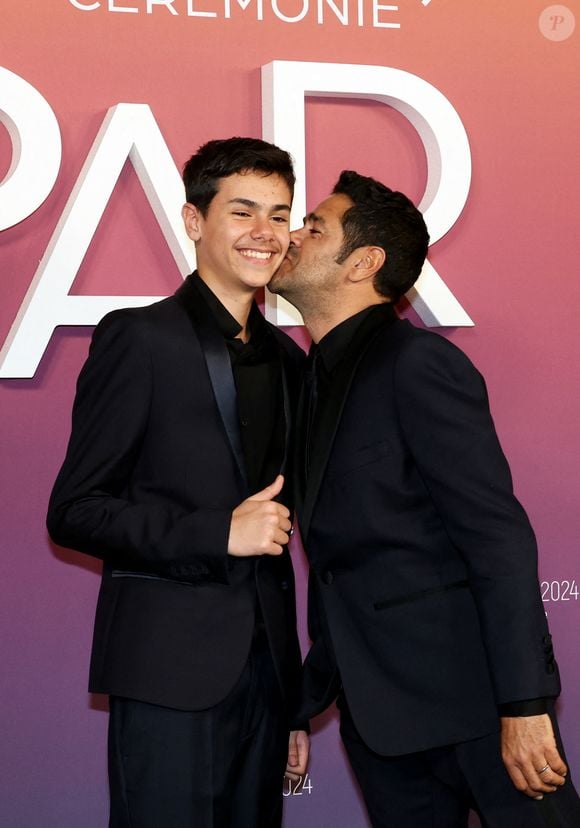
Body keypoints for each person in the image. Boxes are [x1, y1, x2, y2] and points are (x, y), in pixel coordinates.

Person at [269, 170, 580, 827]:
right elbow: (340, 569)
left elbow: (497, 535)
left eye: (314, 227)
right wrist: (305, 701)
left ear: (365, 263)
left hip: (476, 708)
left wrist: (523, 706)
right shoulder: (309, 384)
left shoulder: (418, 365)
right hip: (380, 722)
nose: (291, 236)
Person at [47, 137, 309, 828]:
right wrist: (217, 533)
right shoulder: (140, 338)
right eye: (243, 210)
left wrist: (293, 700)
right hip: (167, 671)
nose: (265, 233)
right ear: (195, 222)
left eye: (279, 215)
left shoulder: (288, 359)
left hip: (264, 678)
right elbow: (75, 510)